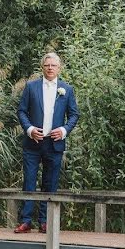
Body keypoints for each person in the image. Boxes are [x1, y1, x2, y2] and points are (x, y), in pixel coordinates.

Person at [15, 52, 80, 233]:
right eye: (47, 65)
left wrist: (65, 130)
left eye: (53, 65)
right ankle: (26, 221)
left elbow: (74, 114)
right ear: (42, 67)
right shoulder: (31, 87)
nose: (50, 68)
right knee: (29, 181)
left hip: (54, 143)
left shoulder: (67, 89)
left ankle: (45, 221)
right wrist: (29, 130)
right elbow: (21, 111)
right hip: (33, 143)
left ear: (59, 68)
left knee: (50, 183)